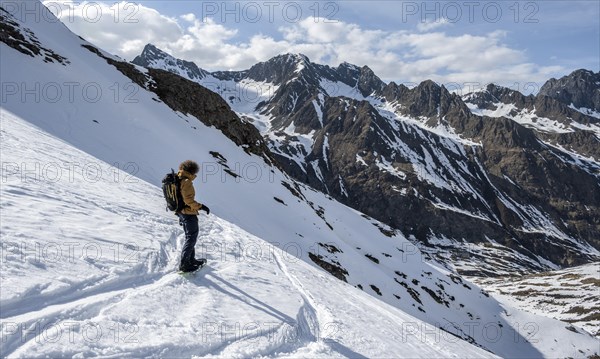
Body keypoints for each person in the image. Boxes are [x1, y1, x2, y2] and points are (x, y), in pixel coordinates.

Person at [176, 160, 210, 272]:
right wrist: (201, 206)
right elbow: (188, 200)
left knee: (190, 237)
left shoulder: (177, 178)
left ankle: (191, 260)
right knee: (191, 237)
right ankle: (185, 264)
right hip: (188, 213)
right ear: (192, 171)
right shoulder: (186, 181)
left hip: (181, 212)